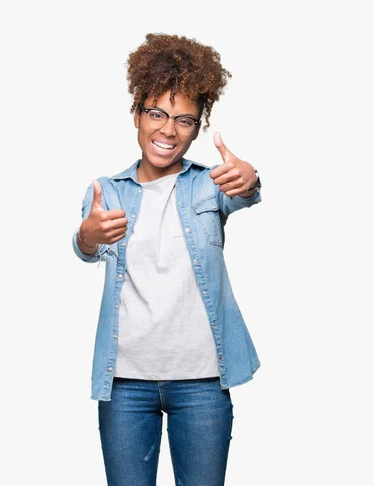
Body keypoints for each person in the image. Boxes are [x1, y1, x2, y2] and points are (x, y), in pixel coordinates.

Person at [72, 33, 262, 486]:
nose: (168, 130)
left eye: (184, 120)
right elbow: (86, 245)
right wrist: (87, 236)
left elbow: (246, 193)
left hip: (202, 382)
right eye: (157, 113)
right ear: (136, 112)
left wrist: (251, 179)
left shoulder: (210, 184)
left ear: (197, 127)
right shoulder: (108, 190)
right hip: (124, 386)